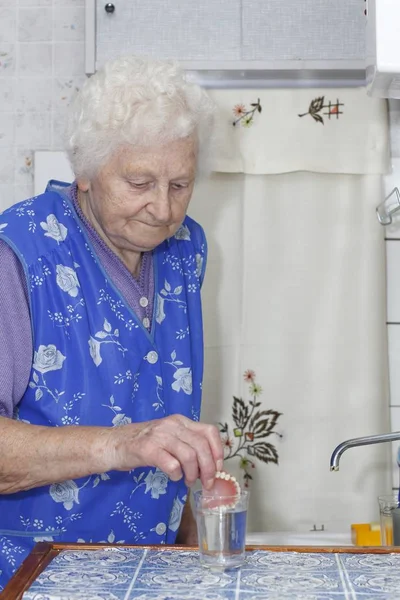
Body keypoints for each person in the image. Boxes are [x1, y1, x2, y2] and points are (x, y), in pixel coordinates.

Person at [0, 55, 223, 589]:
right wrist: (122, 444)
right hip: (29, 577)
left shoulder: (186, 248)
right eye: (140, 181)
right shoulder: (19, 255)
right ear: (86, 169)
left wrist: (189, 540)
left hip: (152, 574)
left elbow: (164, 412)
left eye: (179, 184)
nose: (163, 210)